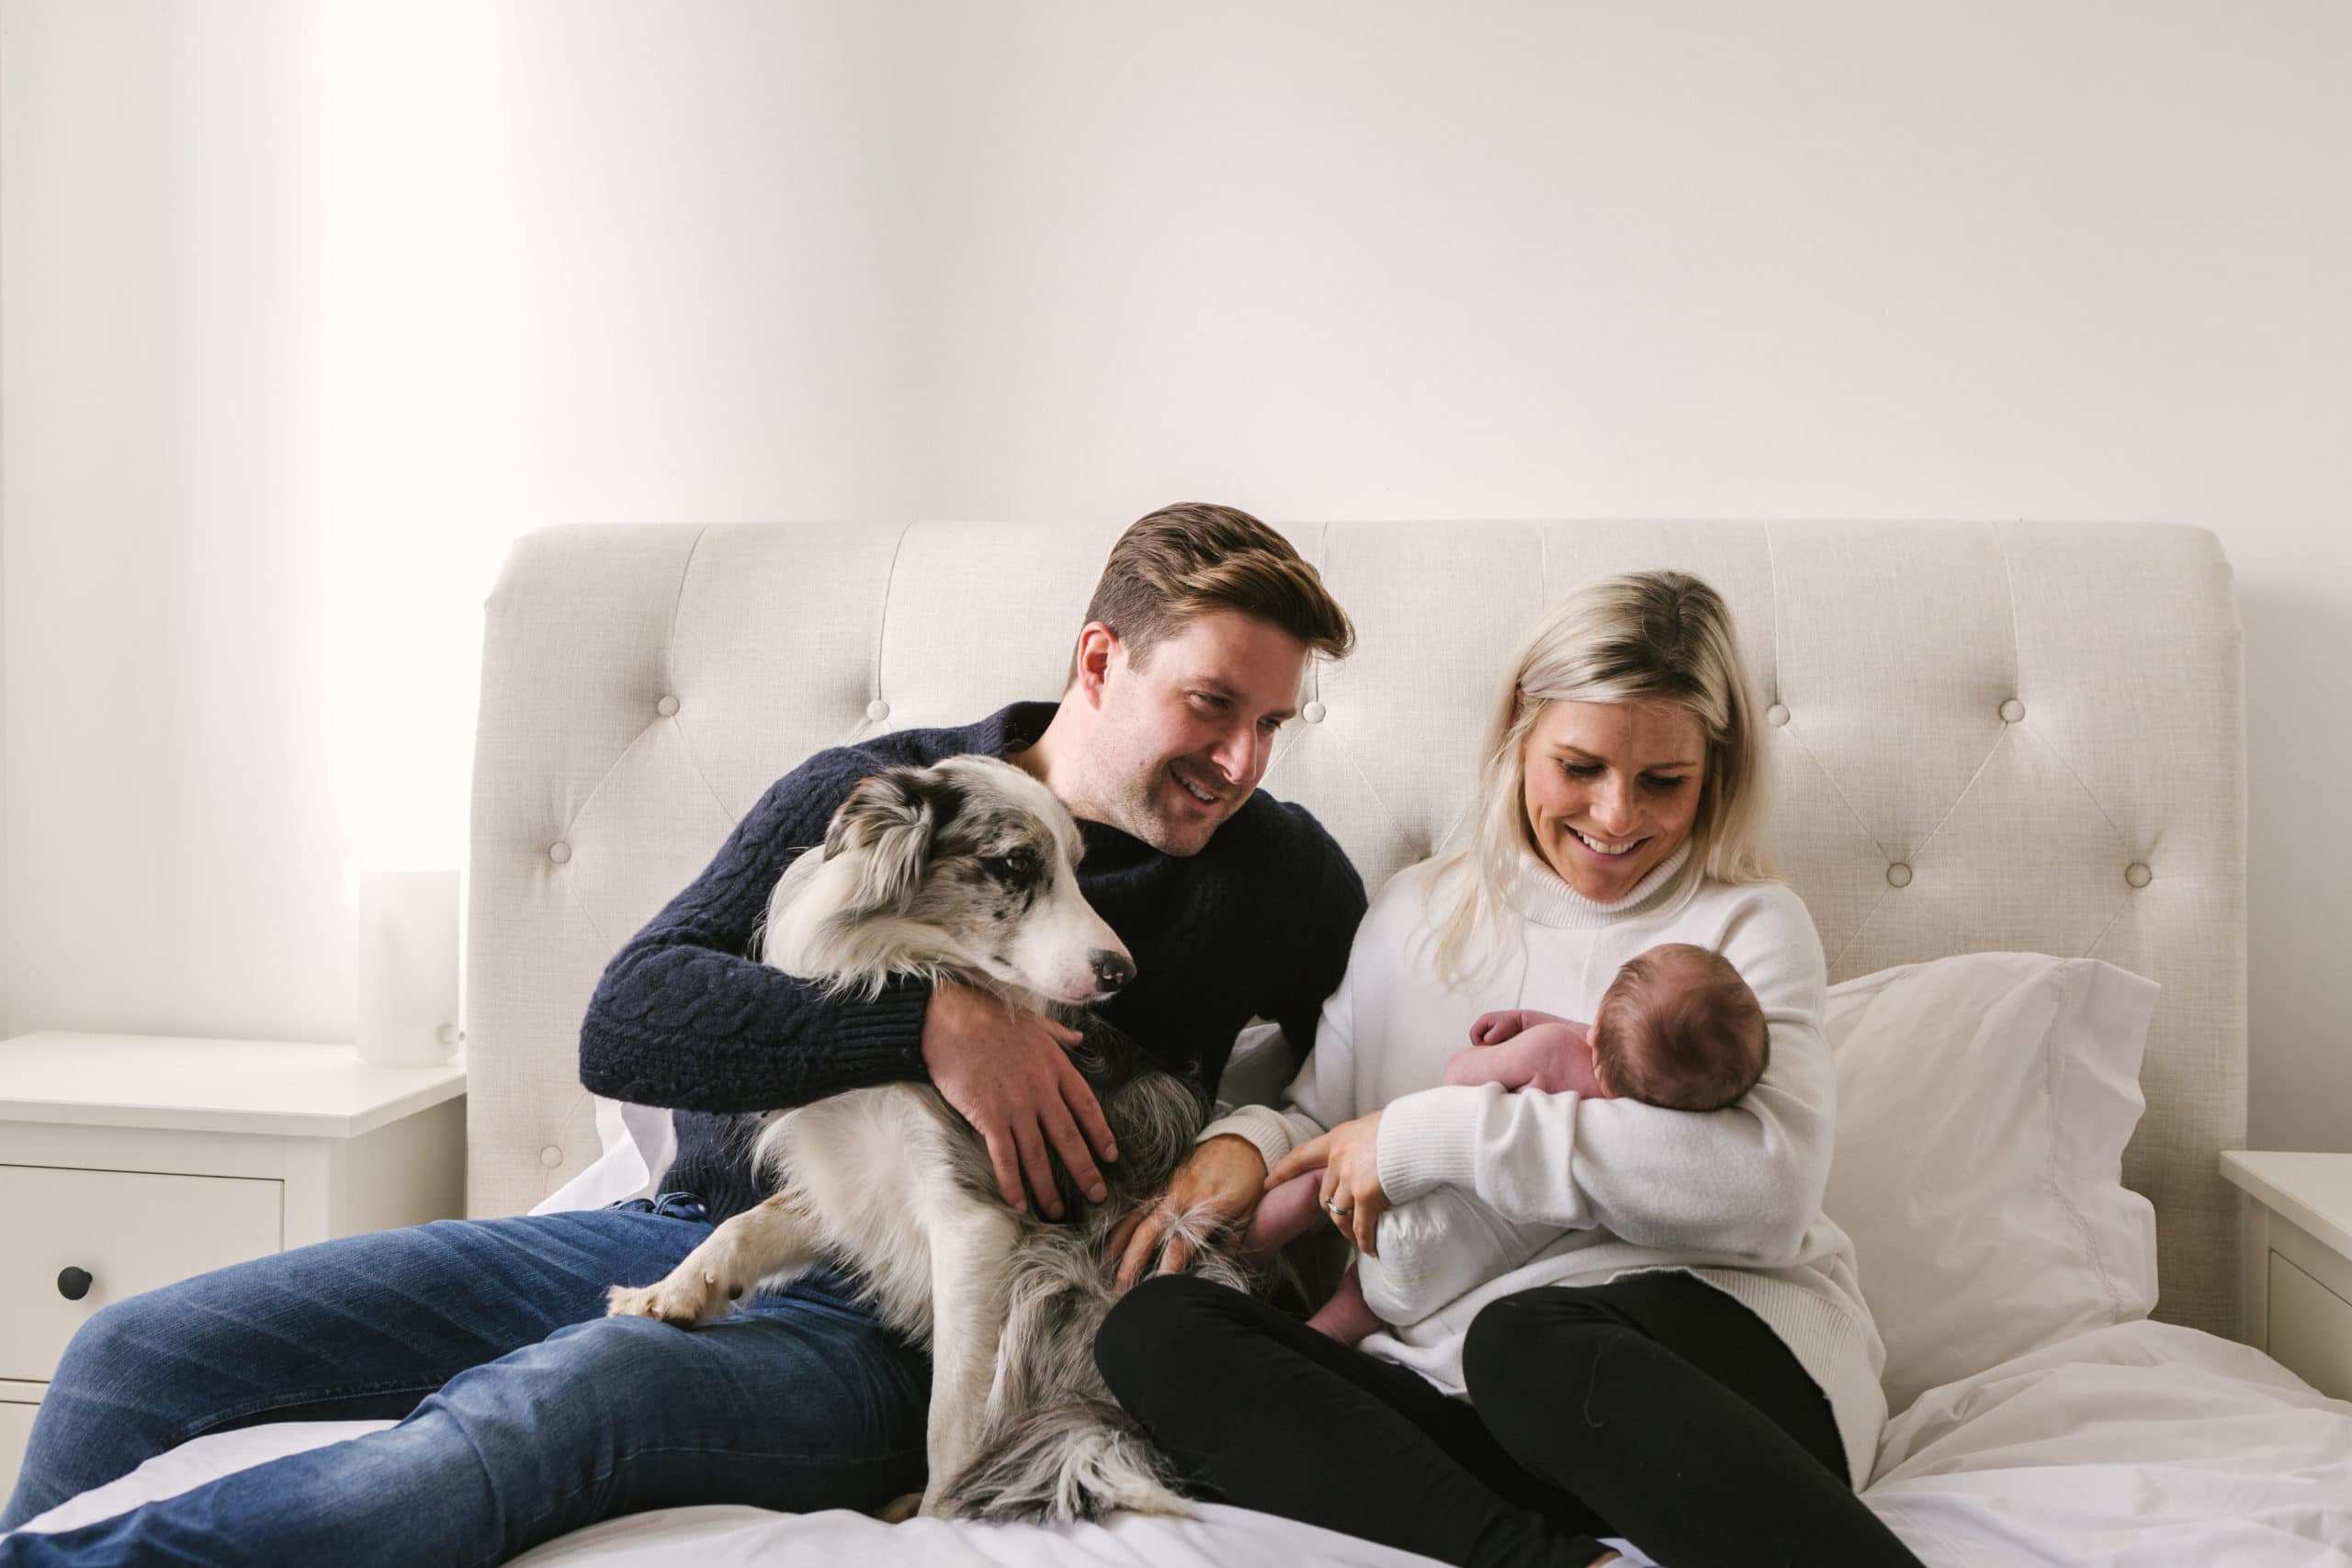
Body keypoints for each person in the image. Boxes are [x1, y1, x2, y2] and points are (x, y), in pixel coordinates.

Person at [0, 503, 1369, 1566]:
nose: (1242, 760)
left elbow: (1361, 1050)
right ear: (1099, 658)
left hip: (904, 1325)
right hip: (679, 1225)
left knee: (542, 1408)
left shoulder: (1277, 874)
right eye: (1211, 703)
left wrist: (1249, 1136)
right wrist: (933, 1020)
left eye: (1270, 723)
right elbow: (634, 1014)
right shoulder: (872, 791)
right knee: (139, 1351)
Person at [1095, 570, 1927, 1568]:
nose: (1616, 818)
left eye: (1663, 781)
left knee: (1525, 1341)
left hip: (1720, 1370)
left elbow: (1764, 1191)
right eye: (1579, 767)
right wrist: (1246, 1140)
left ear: (1716, 768)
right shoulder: (1415, 913)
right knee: (1154, 1332)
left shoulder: (1745, 922)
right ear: (1519, 736)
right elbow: (1329, 1117)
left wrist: (1426, 1136)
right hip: (1463, 1390)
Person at [1247, 942, 1770, 1345]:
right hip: (1446, 1280)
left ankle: (1240, 1256)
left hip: (1399, 1204)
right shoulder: (1646, 1129)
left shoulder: (1552, 1050)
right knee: (1356, 1306)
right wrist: (1550, 1027)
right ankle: (1307, 1341)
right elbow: (1606, 1056)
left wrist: (1528, 1041)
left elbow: (1460, 1078)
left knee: (1322, 1176)